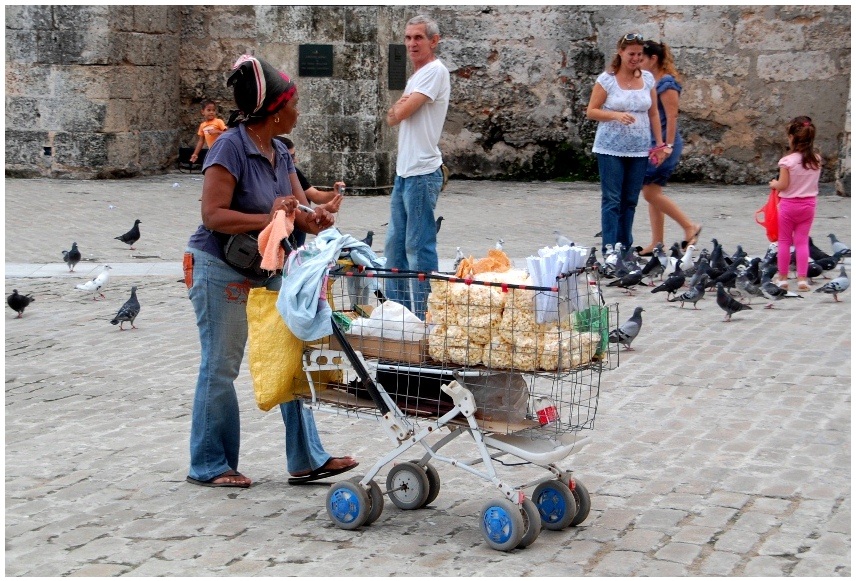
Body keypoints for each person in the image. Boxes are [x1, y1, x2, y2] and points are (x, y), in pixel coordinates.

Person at [184, 55, 357, 488]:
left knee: (291, 352)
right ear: (276, 112)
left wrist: (319, 216)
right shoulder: (229, 146)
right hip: (219, 268)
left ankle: (306, 457)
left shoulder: (279, 151)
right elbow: (212, 215)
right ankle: (209, 464)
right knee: (221, 365)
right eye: (294, 105)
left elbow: (297, 213)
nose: (298, 113)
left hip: (267, 265)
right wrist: (269, 216)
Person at [383, 14, 450, 319]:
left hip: (422, 173)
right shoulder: (417, 76)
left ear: (433, 41)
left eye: (418, 38)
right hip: (404, 173)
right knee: (395, 251)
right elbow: (393, 115)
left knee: (418, 248)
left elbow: (399, 113)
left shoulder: (435, 71)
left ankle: (424, 319)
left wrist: (400, 107)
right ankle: (399, 318)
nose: (411, 43)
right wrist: (399, 109)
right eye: (408, 38)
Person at [586, 33, 667, 254]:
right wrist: (615, 115)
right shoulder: (607, 80)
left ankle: (624, 246)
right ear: (621, 52)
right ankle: (610, 247)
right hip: (610, 147)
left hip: (639, 149)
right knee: (612, 199)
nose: (635, 58)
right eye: (631, 54)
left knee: (630, 200)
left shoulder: (648, 79)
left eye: (639, 54)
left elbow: (652, 114)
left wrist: (659, 144)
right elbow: (591, 111)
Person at [637, 40, 702, 255]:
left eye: (642, 58)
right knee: (652, 191)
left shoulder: (666, 83)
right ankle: (657, 243)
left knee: (650, 193)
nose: (638, 61)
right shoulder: (650, 81)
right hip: (653, 143)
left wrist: (667, 146)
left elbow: (672, 116)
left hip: (665, 143)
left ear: (653, 59)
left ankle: (689, 227)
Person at [769, 116, 822, 292]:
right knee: (802, 242)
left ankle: (783, 277)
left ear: (792, 137)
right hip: (809, 205)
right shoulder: (816, 160)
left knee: (784, 241)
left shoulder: (787, 162)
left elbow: (783, 185)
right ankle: (802, 279)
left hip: (788, 205)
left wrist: (774, 184)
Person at [273, 136, 345, 248]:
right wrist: (325, 208)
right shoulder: (275, 175)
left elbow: (315, 195)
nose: (295, 160)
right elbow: (290, 212)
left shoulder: (294, 172)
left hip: (301, 228)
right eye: (291, 157)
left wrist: (334, 194)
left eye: (294, 156)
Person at [189, 100, 227, 164]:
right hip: (212, 151)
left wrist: (217, 131)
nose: (211, 112)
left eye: (213, 110)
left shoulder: (218, 121)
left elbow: (228, 134)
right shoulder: (202, 125)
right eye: (209, 110)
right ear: (203, 112)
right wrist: (195, 154)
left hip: (221, 150)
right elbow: (201, 141)